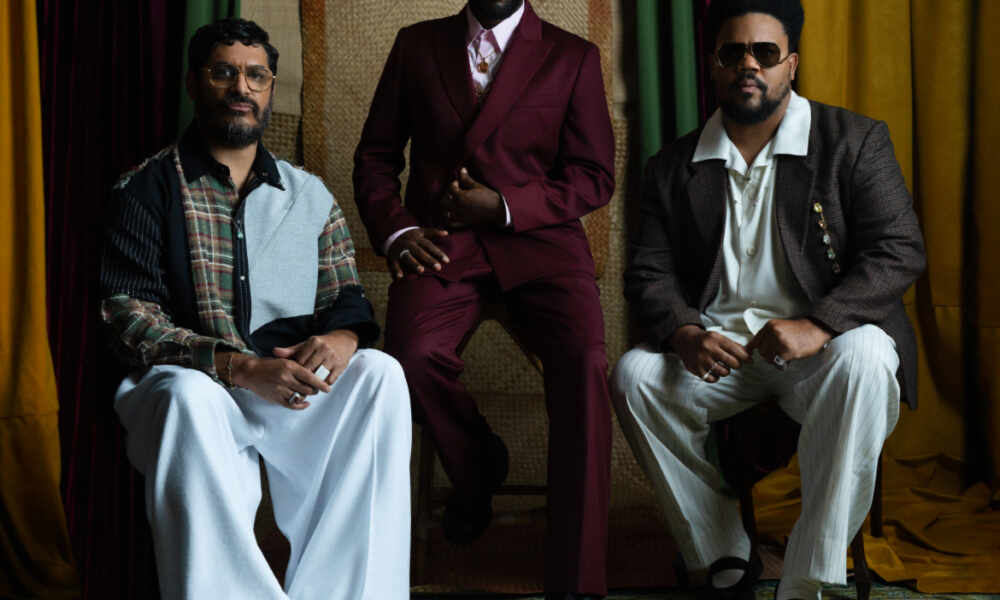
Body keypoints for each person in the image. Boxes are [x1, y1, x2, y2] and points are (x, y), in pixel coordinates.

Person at [610, 1, 926, 599]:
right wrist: (684, 333)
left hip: (822, 353)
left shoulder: (854, 141)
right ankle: (723, 554)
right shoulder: (672, 166)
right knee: (634, 376)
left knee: (867, 355)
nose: (748, 65)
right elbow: (649, 271)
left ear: (792, 64)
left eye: (765, 52)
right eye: (733, 52)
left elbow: (899, 249)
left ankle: (805, 580)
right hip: (722, 354)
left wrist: (820, 324)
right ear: (714, 64)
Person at [100, 18, 411, 600]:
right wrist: (239, 367)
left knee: (379, 373)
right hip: (196, 386)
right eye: (224, 73)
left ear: (269, 88)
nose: (241, 88)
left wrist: (343, 339)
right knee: (187, 398)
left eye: (256, 76)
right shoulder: (146, 188)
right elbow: (129, 317)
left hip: (289, 387)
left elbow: (345, 298)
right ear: (195, 83)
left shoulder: (309, 194)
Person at [353, 1, 615, 597]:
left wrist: (504, 206)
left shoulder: (573, 56)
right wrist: (397, 230)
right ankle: (477, 467)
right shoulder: (416, 44)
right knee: (408, 358)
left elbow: (594, 175)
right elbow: (375, 157)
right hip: (442, 241)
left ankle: (578, 582)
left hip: (543, 245)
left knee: (585, 365)